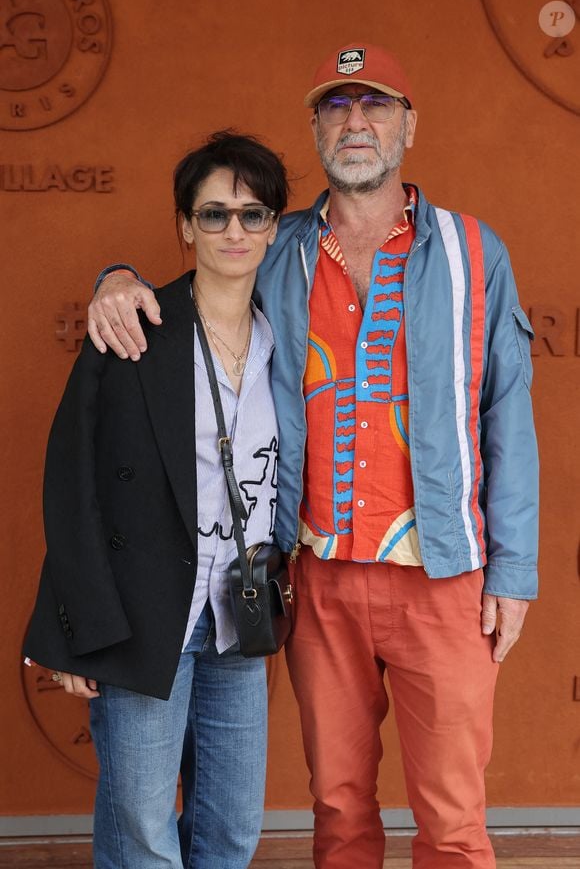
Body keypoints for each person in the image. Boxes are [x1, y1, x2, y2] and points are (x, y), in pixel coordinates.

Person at [86, 43, 539, 869]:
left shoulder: (475, 252)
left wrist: (514, 571)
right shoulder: (274, 247)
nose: (356, 122)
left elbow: (509, 410)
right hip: (316, 576)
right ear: (316, 128)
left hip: (442, 576)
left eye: (375, 105)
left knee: (454, 814)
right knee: (337, 804)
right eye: (337, 107)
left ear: (409, 125)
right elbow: (188, 290)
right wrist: (117, 275)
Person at [23, 131, 289, 869]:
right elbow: (74, 478)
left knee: (232, 825)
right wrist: (79, 625)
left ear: (274, 227)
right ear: (184, 224)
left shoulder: (286, 339)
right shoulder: (134, 327)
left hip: (242, 613)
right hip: (145, 618)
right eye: (214, 214)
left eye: (252, 214)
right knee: (143, 829)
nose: (234, 230)